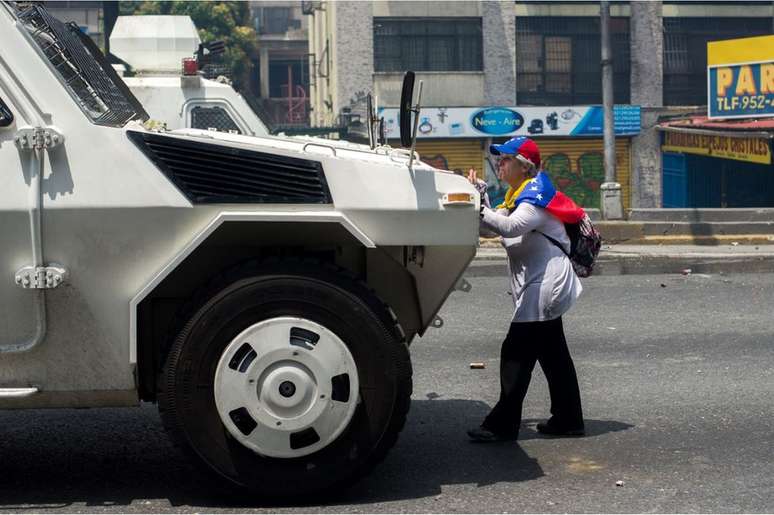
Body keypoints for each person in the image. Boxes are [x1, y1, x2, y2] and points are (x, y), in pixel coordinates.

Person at [466, 136, 585, 442]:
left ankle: (501, 425)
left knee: (515, 354)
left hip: (545, 285)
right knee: (554, 356)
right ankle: (568, 420)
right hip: (537, 284)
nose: (499, 164)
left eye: (505, 160)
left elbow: (510, 228)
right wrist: (479, 196)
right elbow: (488, 227)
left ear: (524, 165)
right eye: (499, 159)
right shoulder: (516, 196)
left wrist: (479, 205)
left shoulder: (535, 195)